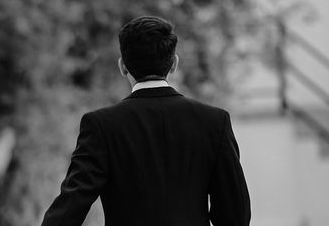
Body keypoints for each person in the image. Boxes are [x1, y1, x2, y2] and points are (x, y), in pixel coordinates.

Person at [41, 16, 251, 226]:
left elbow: (68, 210)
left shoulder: (101, 125)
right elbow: (236, 215)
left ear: (123, 66)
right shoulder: (214, 122)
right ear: (174, 64)